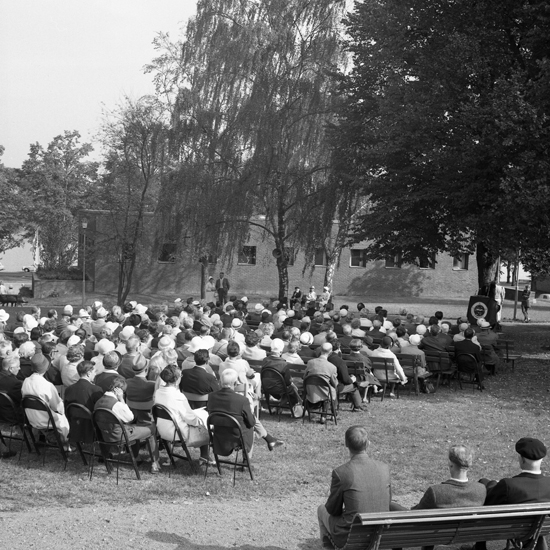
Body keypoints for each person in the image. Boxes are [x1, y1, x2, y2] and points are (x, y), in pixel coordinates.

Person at [317, 426, 392, 549]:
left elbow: (332, 510)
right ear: (368, 444)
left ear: (346, 444)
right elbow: (387, 502)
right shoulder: (384, 468)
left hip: (351, 536)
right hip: (380, 533)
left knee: (321, 510)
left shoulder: (341, 473)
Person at [473, 438, 550, 550]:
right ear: (542, 459)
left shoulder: (509, 485)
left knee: (485, 484)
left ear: (521, 459)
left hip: (511, 529)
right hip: (540, 527)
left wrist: (492, 484)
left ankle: (480, 547)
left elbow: (487, 503)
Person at [207, 369, 284, 454]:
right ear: (236, 383)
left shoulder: (211, 396)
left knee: (247, 418)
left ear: (220, 382)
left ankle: (270, 439)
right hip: (237, 437)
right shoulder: (242, 400)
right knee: (251, 424)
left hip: (219, 434)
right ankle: (245, 463)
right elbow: (251, 423)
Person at [94, 377, 161, 474]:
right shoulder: (116, 404)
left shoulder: (98, 402)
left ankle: (136, 457)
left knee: (134, 427)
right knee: (151, 429)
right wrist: (122, 399)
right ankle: (155, 463)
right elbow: (130, 417)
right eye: (124, 392)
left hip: (104, 435)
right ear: (119, 391)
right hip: (120, 436)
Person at [154, 364, 211, 464]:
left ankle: (204, 456)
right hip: (177, 433)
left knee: (199, 416)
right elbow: (190, 419)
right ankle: (205, 455)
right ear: (177, 379)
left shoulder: (158, 392)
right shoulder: (178, 396)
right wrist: (200, 420)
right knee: (204, 418)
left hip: (162, 430)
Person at [21, 353, 71, 447]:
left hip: (31, 418)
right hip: (47, 420)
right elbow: (57, 406)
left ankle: (43, 438)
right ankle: (65, 444)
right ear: (46, 368)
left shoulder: (26, 381)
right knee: (62, 417)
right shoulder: (47, 385)